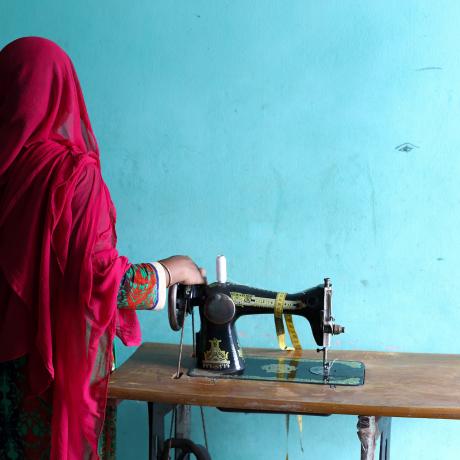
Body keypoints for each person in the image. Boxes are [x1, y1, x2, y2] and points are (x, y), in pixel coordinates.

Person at [0, 37, 206, 460]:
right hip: (55, 381)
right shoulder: (72, 176)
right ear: (64, 90)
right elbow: (106, 284)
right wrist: (173, 270)